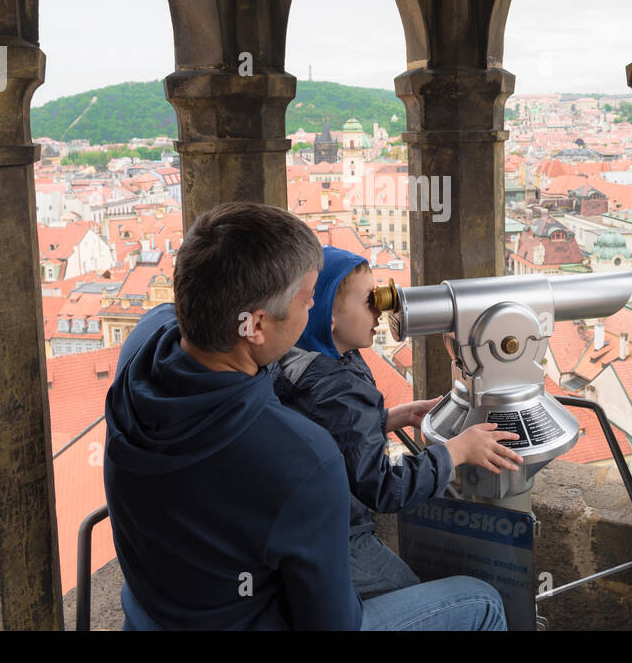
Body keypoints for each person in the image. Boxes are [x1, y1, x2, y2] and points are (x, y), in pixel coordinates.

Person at [103, 201, 506, 630]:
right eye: (306, 300)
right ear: (254, 326)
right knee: (482, 601)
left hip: (151, 612)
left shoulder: (143, 345)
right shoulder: (306, 461)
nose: (312, 308)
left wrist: (381, 420)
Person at [274, 245, 524, 600]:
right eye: (368, 300)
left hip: (303, 529)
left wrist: (393, 418)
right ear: (329, 315)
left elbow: (331, 437)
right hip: (338, 539)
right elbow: (384, 488)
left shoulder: (301, 361)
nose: (381, 308)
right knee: (422, 600)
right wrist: (456, 451)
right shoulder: (340, 388)